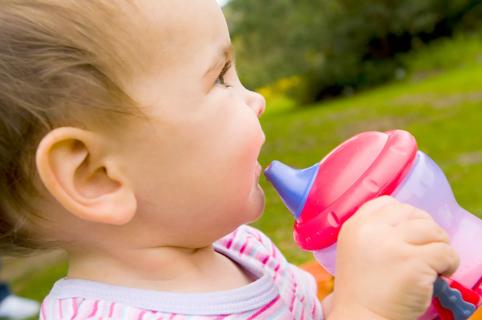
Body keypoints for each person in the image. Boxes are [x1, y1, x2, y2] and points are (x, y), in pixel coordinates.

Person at [0, 1, 459, 319]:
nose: (256, 99)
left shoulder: (241, 248)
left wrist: (369, 290)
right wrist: (368, 312)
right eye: (220, 78)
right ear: (97, 177)